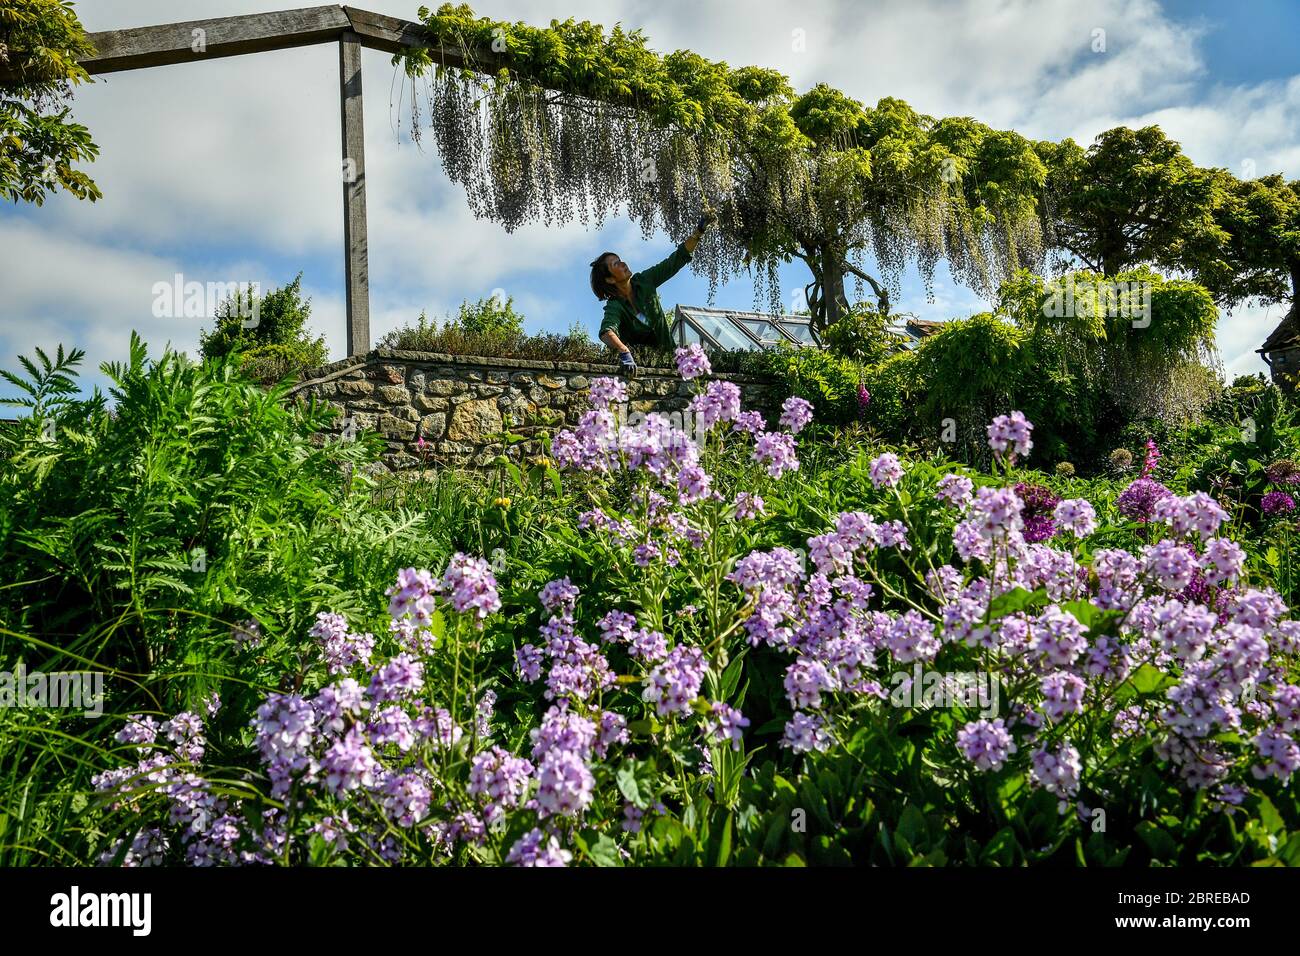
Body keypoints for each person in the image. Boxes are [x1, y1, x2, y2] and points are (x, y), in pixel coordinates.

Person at [590, 211, 717, 375]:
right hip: (642, 370)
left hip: (673, 363)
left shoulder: (644, 281)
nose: (623, 264)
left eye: (621, 260)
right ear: (610, 280)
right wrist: (624, 351)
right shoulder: (616, 306)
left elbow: (676, 260)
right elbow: (607, 332)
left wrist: (698, 232)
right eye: (616, 264)